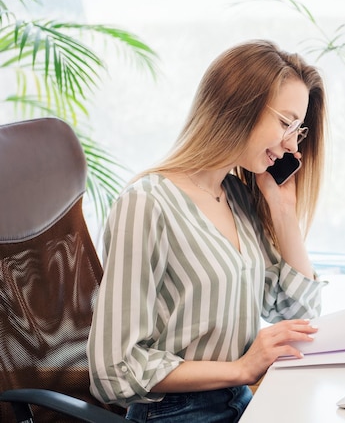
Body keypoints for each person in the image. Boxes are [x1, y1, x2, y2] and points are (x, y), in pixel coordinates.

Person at [87, 39, 328, 422]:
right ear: (239, 106)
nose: (288, 144)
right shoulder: (147, 203)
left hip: (239, 402)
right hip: (175, 413)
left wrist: (283, 213)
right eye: (285, 123)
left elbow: (298, 312)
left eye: (297, 130)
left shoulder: (237, 196)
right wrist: (241, 369)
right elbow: (114, 369)